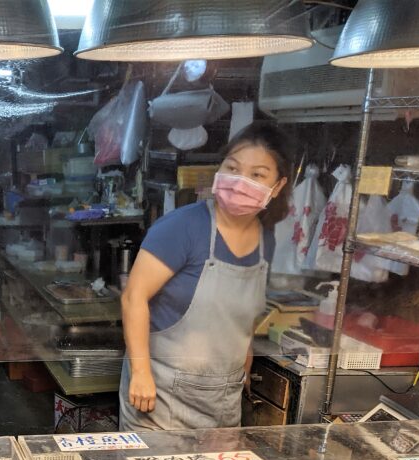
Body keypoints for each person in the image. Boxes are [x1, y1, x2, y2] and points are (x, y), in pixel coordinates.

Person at [119, 123, 292, 431]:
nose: (241, 181)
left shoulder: (267, 241)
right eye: (233, 168)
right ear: (219, 170)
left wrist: (244, 365)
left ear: (277, 186)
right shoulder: (182, 227)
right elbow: (134, 297)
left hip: (223, 399)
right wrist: (141, 372)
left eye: (257, 175)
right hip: (160, 397)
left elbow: (242, 318)